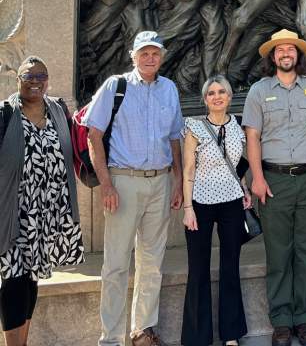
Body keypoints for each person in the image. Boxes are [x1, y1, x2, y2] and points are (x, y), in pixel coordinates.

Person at [84, 31, 184, 346]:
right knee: (115, 263)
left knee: (152, 262)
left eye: (155, 53)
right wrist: (107, 184)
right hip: (123, 181)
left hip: (160, 182)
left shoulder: (169, 89)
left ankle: (142, 331)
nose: (150, 58)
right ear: (133, 56)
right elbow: (93, 135)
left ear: (162, 57)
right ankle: (111, 338)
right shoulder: (116, 86)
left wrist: (178, 181)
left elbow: (175, 138)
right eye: (144, 53)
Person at [242, 29, 306, 346]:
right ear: (272, 57)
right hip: (273, 181)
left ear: (298, 56)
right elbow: (252, 137)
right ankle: (281, 320)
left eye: (290, 50)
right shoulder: (258, 91)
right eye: (279, 50)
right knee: (278, 254)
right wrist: (258, 178)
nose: (285, 54)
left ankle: (305, 319)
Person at [0, 56, 84, 346]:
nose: (35, 81)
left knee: (32, 278)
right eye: (28, 76)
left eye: (40, 76)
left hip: (47, 210)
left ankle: (22, 341)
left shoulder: (58, 109)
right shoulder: (5, 114)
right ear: (17, 80)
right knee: (13, 280)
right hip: (13, 211)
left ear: (47, 80)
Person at [181, 75, 252, 346]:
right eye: (211, 93)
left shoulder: (238, 125)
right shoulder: (194, 127)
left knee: (230, 266)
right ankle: (197, 337)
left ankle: (231, 334)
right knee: (198, 268)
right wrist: (188, 208)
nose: (217, 96)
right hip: (199, 203)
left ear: (230, 96)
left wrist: (244, 189)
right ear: (205, 99)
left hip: (232, 202)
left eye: (222, 91)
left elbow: (237, 164)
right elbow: (188, 170)